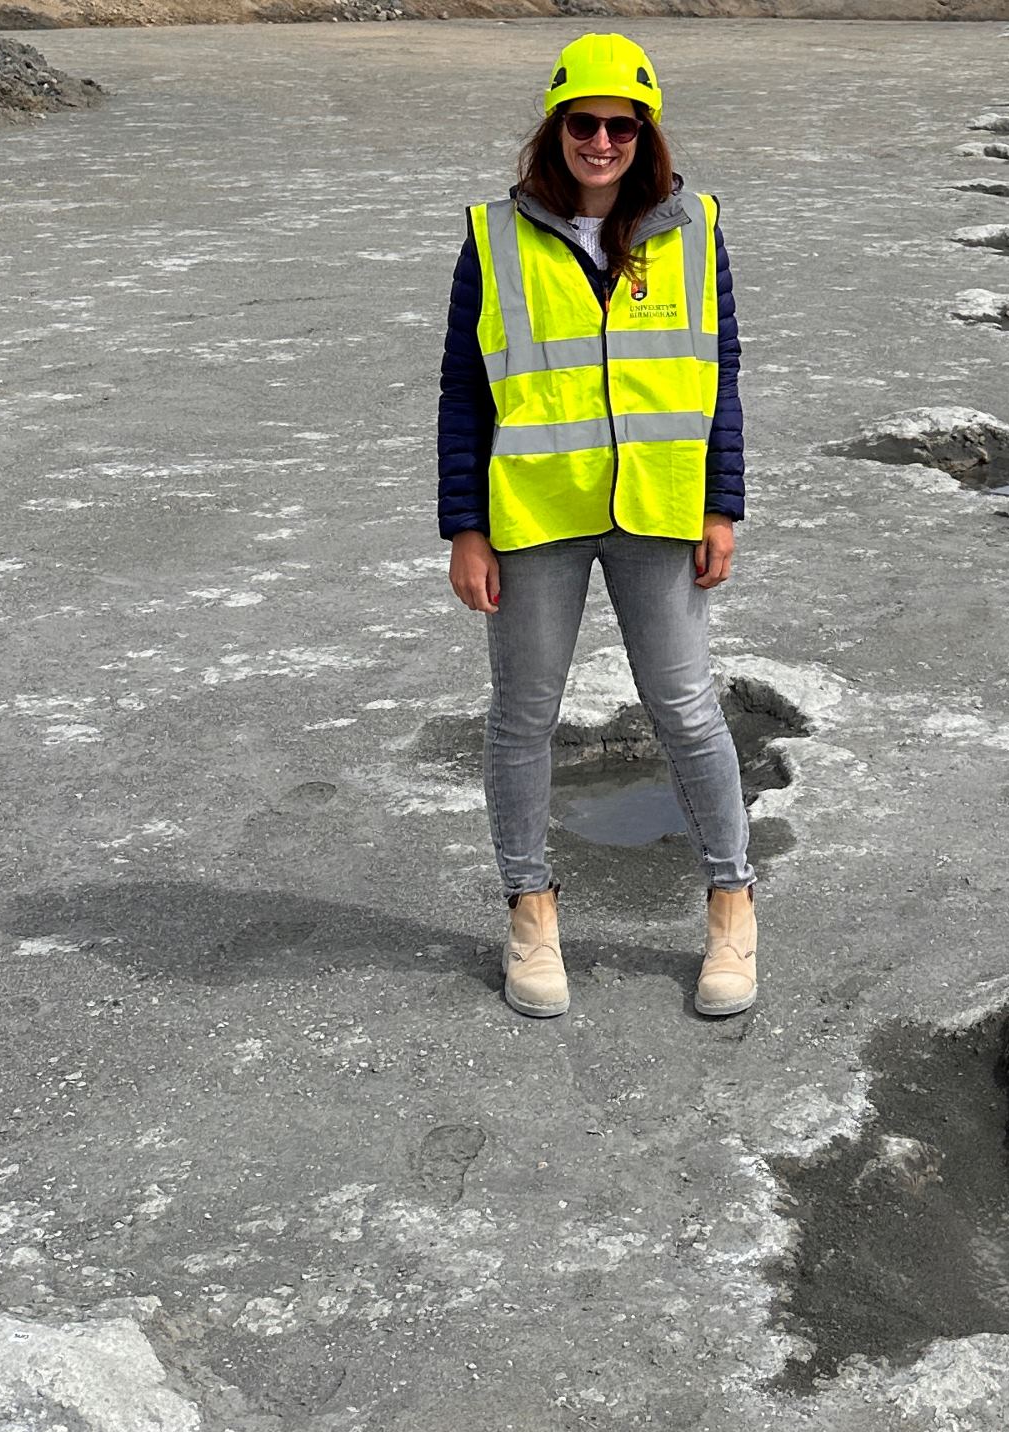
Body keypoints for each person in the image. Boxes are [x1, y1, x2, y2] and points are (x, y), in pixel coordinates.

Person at [436, 32, 755, 1020]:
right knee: (522, 721)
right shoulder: (495, 238)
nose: (602, 141)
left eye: (622, 125)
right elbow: (462, 389)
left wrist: (720, 502)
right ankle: (530, 911)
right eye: (585, 123)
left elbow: (721, 372)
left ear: (645, 133)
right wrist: (465, 525)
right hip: (534, 513)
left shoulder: (695, 228)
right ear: (556, 128)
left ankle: (732, 904)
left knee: (687, 711)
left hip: (658, 509)